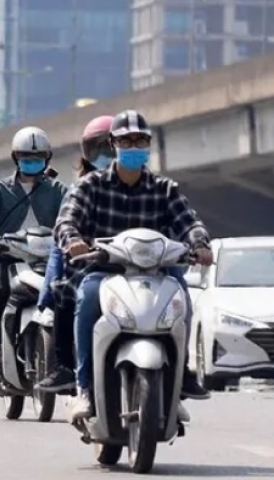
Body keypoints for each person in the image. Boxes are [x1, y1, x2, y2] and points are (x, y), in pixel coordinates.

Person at [54, 109, 213, 420]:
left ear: (149, 145)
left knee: (182, 296)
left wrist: (200, 244)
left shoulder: (164, 189)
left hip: (155, 273)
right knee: (86, 298)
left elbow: (189, 222)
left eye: (140, 141)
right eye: (126, 141)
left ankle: (180, 380)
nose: (133, 147)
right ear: (113, 145)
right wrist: (73, 239)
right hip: (103, 271)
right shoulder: (91, 186)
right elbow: (67, 220)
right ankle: (84, 388)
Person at [0, 126, 67, 369]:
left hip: (50, 258)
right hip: (9, 257)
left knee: (68, 294)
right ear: (16, 158)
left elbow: (73, 216)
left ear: (47, 158)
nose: (32, 162)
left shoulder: (59, 190)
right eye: (26, 157)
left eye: (38, 157)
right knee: (4, 292)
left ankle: (68, 355)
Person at [33, 115, 115, 392]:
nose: (107, 155)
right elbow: (64, 226)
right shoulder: (81, 189)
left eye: (112, 147)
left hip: (137, 267)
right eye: (100, 148)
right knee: (65, 292)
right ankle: (69, 369)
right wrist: (73, 241)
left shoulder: (149, 187)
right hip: (93, 267)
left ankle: (178, 372)